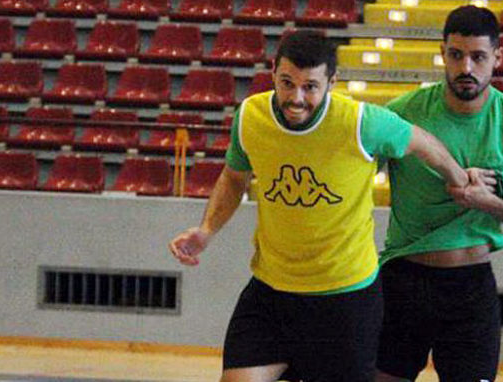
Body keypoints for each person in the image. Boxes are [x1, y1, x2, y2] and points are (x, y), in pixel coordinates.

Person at [168, 30, 469, 382]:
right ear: (273, 73)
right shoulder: (251, 116)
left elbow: (423, 143)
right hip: (272, 293)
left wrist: (459, 179)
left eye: (310, 87)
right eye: (287, 83)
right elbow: (234, 178)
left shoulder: (360, 122)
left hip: (345, 301)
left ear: (332, 82)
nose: (296, 98)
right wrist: (206, 230)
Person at [375, 6, 503, 382]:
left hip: (470, 288)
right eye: (456, 55)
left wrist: (490, 203)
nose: (466, 67)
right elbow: (352, 174)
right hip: (403, 278)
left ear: (497, 58)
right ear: (443, 53)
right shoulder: (402, 115)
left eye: (478, 57)